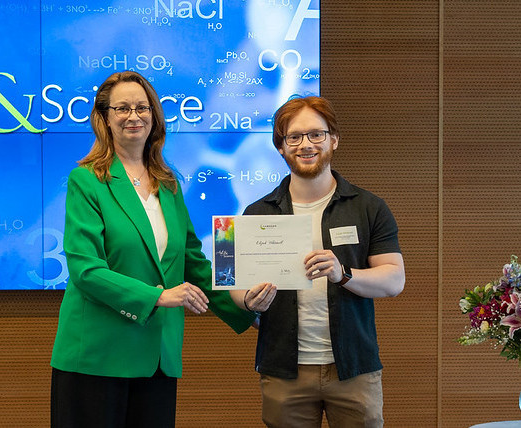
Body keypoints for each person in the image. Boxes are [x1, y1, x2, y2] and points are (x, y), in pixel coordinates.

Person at [50, 71, 256, 428]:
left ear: (155, 116)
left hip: (158, 357)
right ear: (104, 118)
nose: (134, 116)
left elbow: (193, 262)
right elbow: (86, 270)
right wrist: (158, 296)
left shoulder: (168, 182)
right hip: (98, 355)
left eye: (142, 107)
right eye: (122, 108)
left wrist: (246, 305)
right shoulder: (86, 180)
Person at [230, 96, 405, 428]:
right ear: (280, 147)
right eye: (293, 137)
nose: (305, 144)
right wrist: (247, 300)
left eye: (316, 134)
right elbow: (235, 287)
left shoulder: (368, 207)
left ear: (333, 139)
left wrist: (344, 274)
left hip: (353, 367)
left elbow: (394, 280)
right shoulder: (257, 212)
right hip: (284, 369)